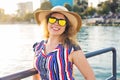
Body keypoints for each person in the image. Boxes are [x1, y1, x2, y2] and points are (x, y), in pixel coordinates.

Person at [33, 6, 96, 80]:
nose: (56, 23)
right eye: (52, 19)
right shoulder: (38, 47)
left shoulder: (72, 48)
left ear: (66, 26)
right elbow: (36, 75)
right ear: (47, 22)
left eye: (61, 21)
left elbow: (90, 77)